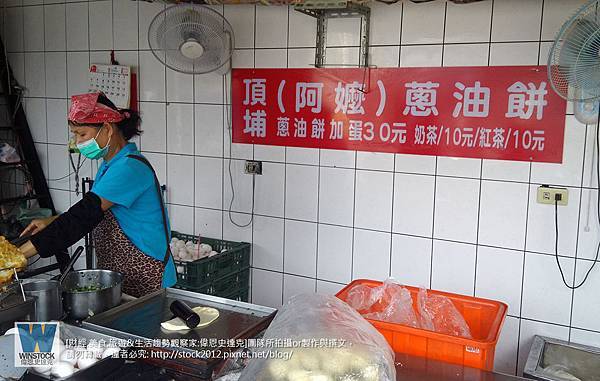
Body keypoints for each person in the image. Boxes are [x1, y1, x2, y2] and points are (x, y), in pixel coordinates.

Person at [19, 92, 176, 297]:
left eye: (82, 134)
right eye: (75, 134)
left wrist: (19, 255)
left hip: (147, 274)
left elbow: (84, 215)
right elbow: (92, 210)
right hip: (123, 273)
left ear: (108, 129)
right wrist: (52, 221)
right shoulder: (110, 165)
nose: (77, 142)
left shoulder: (129, 168)